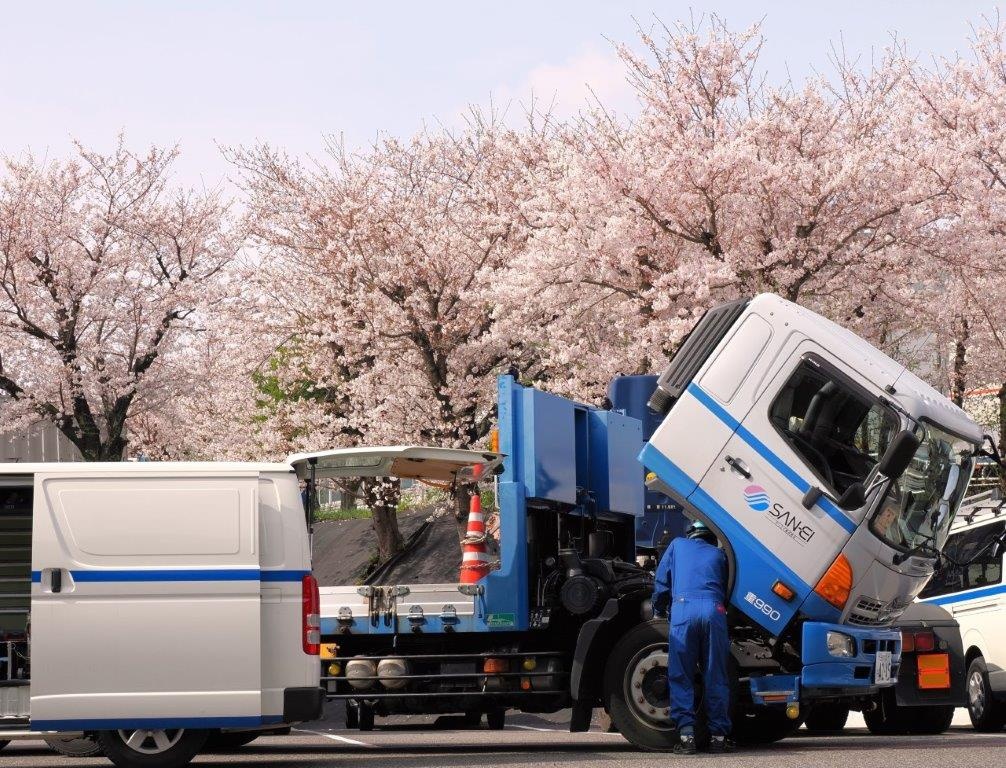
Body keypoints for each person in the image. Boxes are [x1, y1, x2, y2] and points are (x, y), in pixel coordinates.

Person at [652, 520, 733, 754]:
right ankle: (718, 737)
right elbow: (727, 587)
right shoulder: (720, 554)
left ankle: (687, 737)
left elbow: (661, 580)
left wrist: (658, 608)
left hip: (683, 610)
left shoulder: (677, 545)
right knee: (716, 675)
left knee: (681, 674)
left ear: (690, 533)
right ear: (710, 536)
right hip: (714, 610)